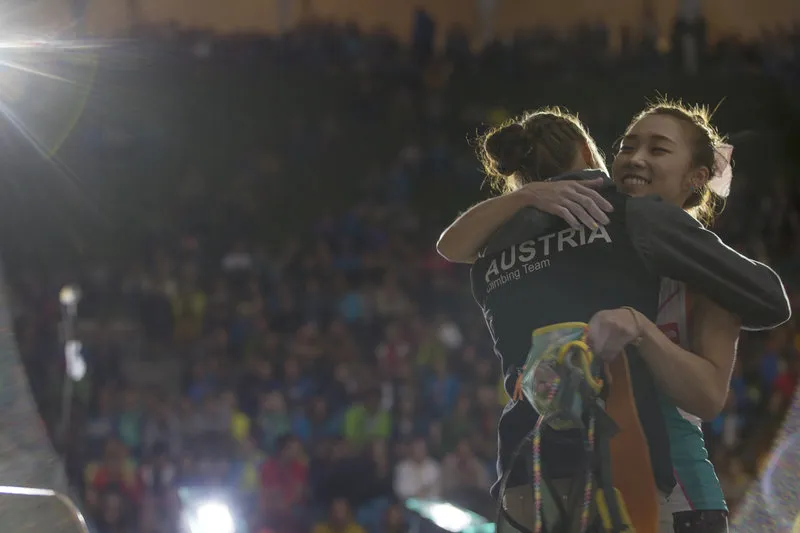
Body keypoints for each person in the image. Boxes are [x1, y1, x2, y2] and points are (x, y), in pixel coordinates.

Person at [440, 105, 791, 533]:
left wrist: (640, 328)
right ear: (593, 154)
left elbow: (710, 394)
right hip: (630, 475)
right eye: (626, 146)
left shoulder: (705, 278)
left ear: (697, 176)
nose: (635, 158)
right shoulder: (619, 224)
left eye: (657, 149)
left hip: (568, 475)